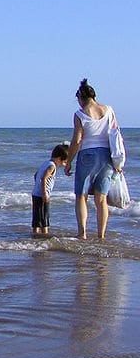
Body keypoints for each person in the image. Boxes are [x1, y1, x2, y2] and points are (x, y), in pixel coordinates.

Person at [64, 78, 121, 240]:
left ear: (81, 97)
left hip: (88, 155)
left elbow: (77, 139)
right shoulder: (108, 110)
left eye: (78, 99)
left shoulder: (80, 114)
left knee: (81, 195)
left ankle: (82, 233)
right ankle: (101, 235)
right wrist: (118, 160)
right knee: (101, 199)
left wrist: (69, 161)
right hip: (107, 156)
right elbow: (115, 134)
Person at [32, 143, 69, 236]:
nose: (64, 165)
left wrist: (37, 186)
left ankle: (35, 232)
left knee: (37, 215)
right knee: (44, 215)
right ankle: (45, 234)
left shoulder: (46, 163)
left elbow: (36, 175)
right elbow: (44, 178)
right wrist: (44, 193)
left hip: (35, 193)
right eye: (64, 162)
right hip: (42, 195)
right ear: (59, 158)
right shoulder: (52, 166)